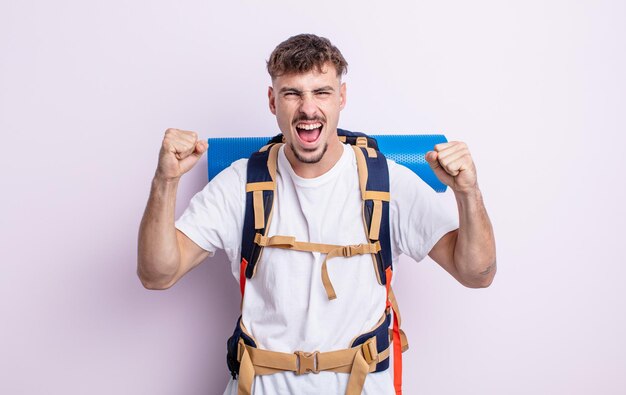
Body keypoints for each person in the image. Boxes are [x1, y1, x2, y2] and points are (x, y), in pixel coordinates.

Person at [137, 34, 496, 395]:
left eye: (321, 92)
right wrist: (165, 181)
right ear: (272, 100)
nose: (308, 108)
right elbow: (157, 274)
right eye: (292, 93)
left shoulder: (388, 183)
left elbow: (477, 273)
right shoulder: (240, 183)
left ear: (341, 97)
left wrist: (468, 193)